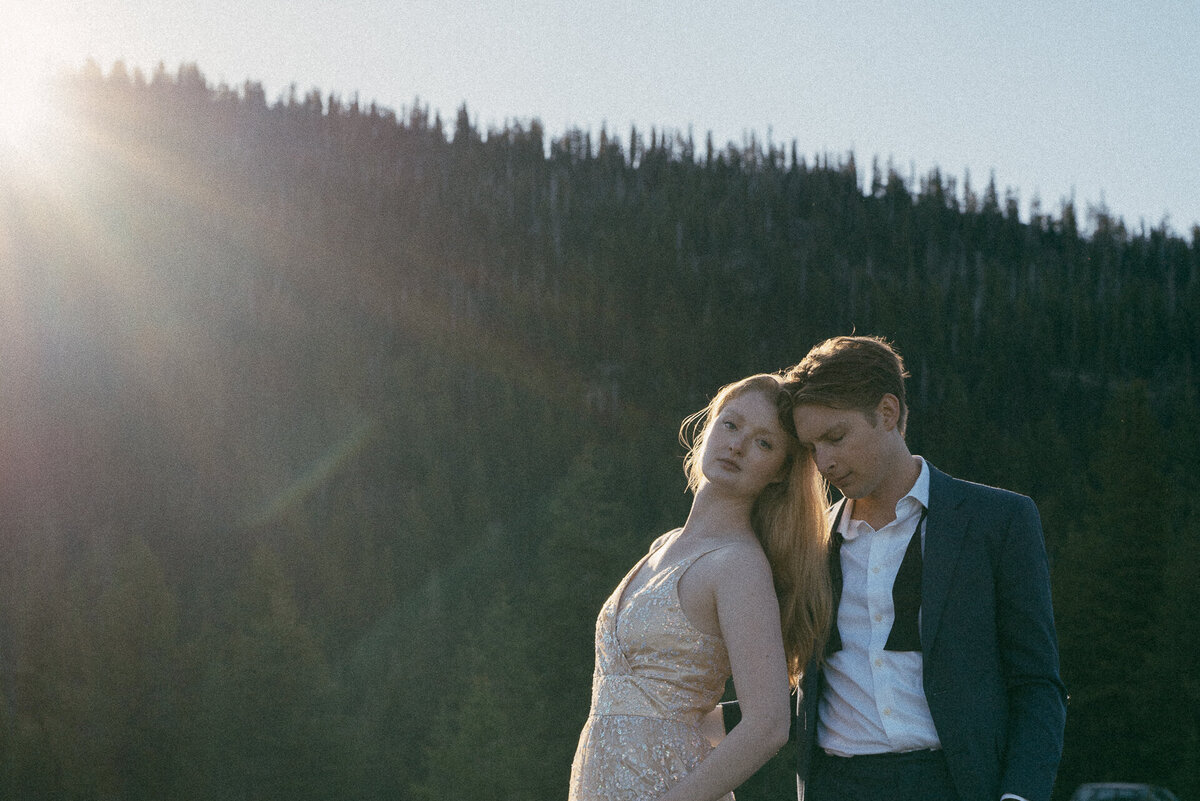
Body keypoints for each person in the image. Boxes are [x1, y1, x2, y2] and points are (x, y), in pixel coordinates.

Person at [772, 335, 1067, 801]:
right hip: (836, 786)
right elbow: (791, 696)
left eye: (836, 436)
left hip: (953, 784)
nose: (825, 461)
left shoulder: (1000, 520)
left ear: (887, 413)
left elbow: (1036, 685)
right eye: (812, 448)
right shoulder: (811, 544)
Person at [569, 373, 833, 801]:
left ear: (781, 472)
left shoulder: (739, 566)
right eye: (731, 425)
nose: (737, 445)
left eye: (764, 443)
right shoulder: (664, 545)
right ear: (709, 425)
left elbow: (768, 726)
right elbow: (659, 707)